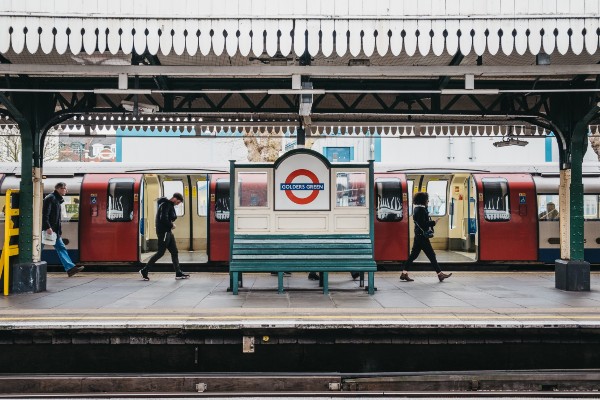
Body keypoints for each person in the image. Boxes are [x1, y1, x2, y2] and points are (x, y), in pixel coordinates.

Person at [400, 192, 452, 283]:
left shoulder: (418, 209)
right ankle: (440, 274)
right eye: (426, 199)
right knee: (431, 255)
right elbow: (422, 224)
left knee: (413, 256)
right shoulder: (420, 210)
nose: (428, 201)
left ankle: (404, 273)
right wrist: (433, 223)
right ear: (423, 200)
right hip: (422, 237)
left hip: (419, 236)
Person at [139, 193, 190, 281]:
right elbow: (163, 218)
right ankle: (145, 270)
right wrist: (171, 225)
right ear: (175, 199)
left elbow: (170, 217)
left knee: (174, 252)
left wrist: (171, 223)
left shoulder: (169, 205)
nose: (178, 204)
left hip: (168, 232)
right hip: (164, 232)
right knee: (160, 252)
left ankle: (178, 273)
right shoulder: (165, 205)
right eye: (178, 202)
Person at [42, 182, 84, 277]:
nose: (66, 190)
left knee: (61, 248)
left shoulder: (56, 199)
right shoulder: (51, 198)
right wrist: (47, 227)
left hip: (54, 231)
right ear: (59, 189)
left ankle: (70, 268)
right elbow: (45, 215)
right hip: (48, 230)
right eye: (65, 188)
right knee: (38, 248)